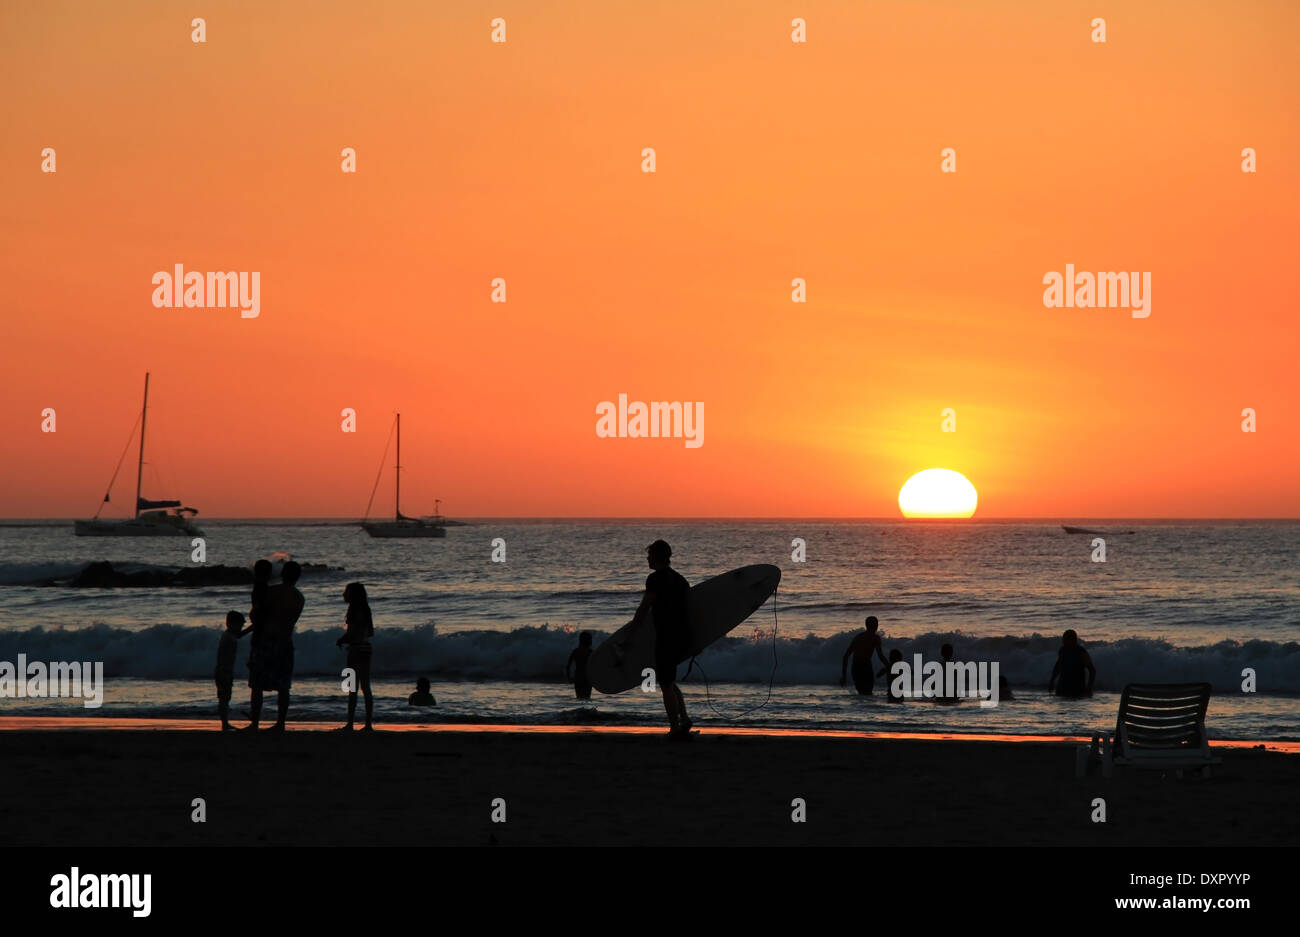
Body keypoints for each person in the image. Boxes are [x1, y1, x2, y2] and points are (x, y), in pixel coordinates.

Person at [628, 539, 693, 737]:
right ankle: (685, 719)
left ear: (656, 557)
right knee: (669, 680)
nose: (647, 559)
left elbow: (644, 607)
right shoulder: (681, 579)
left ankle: (675, 728)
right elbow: (690, 611)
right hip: (681, 636)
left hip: (666, 637)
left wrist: (631, 633)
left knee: (665, 683)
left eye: (649, 555)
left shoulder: (655, 579)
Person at [250, 561, 305, 731]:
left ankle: (255, 723)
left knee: (257, 684)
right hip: (285, 642)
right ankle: (281, 723)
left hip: (266, 640)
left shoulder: (271, 592)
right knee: (283, 686)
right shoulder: (299, 598)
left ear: (282, 574)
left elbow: (257, 615)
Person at [337, 582, 374, 731]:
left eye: (346, 592)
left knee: (352, 687)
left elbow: (352, 633)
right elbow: (370, 632)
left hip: (355, 650)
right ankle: (368, 724)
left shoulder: (354, 611)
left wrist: (341, 639)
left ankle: (350, 723)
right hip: (366, 648)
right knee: (366, 687)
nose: (344, 595)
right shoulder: (366, 609)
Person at [215, 610, 251, 730]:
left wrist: (252, 628)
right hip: (223, 671)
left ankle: (225, 722)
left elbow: (239, 635)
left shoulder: (229, 635)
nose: (241, 627)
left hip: (225, 670)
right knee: (224, 697)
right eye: (240, 625)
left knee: (225, 696)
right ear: (231, 624)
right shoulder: (228, 638)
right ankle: (224, 723)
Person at [840, 616, 889, 694]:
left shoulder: (858, 637)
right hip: (864, 667)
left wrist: (844, 676)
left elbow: (846, 656)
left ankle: (862, 706)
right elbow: (881, 656)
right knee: (867, 693)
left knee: (863, 694)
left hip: (857, 667)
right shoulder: (875, 638)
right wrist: (889, 666)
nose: (877, 626)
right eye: (876, 624)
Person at [1049, 629, 1096, 698]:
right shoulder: (1062, 650)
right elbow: (1058, 666)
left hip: (1077, 689)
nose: (1063, 642)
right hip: (1062, 688)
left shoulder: (1081, 652)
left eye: (1066, 640)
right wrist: (1051, 682)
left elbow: (1092, 670)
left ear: (1073, 640)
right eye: (1063, 640)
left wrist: (1089, 688)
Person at [566, 632, 594, 700]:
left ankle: (580, 710)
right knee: (587, 699)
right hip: (587, 679)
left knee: (579, 698)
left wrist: (569, 678)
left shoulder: (575, 651)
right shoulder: (591, 652)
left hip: (578, 678)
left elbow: (568, 666)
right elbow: (596, 666)